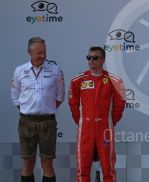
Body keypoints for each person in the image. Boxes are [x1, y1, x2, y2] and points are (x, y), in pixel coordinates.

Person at [11, 37, 65, 182]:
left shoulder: (55, 70)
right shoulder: (20, 71)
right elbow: (16, 97)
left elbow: (60, 97)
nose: (43, 56)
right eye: (39, 52)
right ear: (29, 51)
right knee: (28, 163)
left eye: (44, 52)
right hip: (26, 122)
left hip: (48, 122)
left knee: (47, 164)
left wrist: (46, 110)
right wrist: (30, 111)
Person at [69, 46, 126, 182]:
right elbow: (73, 104)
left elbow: (120, 105)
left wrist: (111, 121)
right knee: (83, 168)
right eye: (89, 57)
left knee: (108, 168)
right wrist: (82, 121)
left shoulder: (114, 80)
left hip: (104, 128)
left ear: (103, 60)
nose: (91, 61)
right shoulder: (78, 80)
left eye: (95, 58)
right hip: (86, 129)